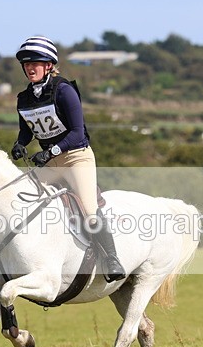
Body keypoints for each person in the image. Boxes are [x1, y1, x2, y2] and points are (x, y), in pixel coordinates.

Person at [10, 36, 125, 282]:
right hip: (50, 163)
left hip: (76, 159)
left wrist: (50, 152)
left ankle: (112, 259)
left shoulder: (64, 91)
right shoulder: (24, 98)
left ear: (49, 65)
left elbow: (77, 133)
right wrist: (20, 143)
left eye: (35, 63)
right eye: (26, 64)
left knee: (89, 209)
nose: (30, 68)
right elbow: (26, 130)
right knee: (20, 197)